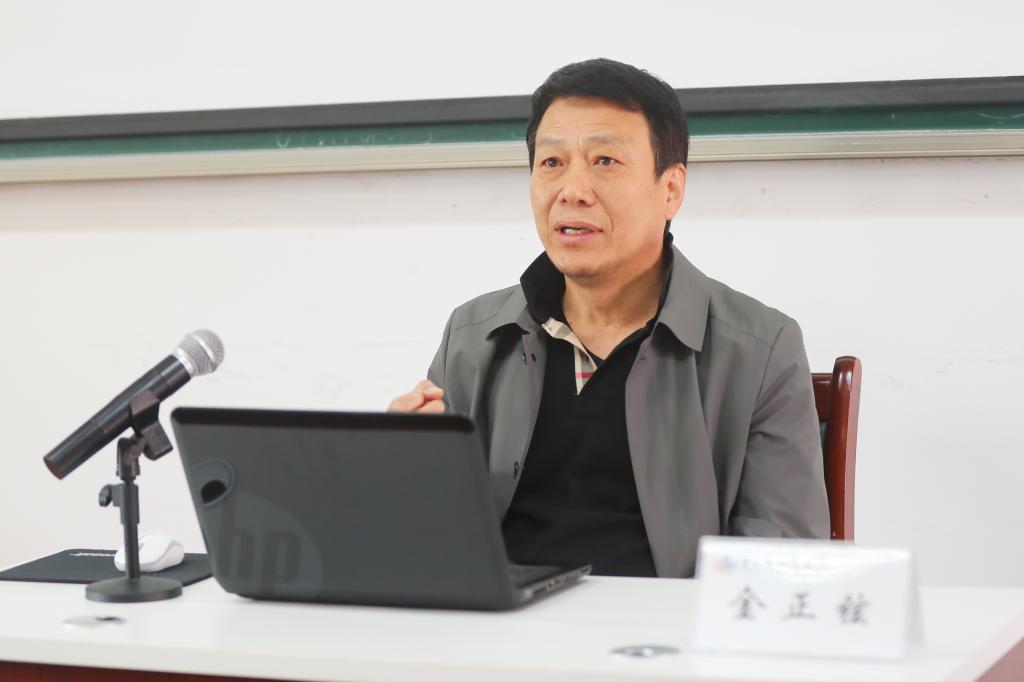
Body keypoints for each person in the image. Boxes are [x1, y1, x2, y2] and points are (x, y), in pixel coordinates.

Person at [389, 58, 829, 578]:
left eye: (605, 161)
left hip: (666, 626)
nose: (572, 189)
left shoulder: (760, 349)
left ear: (671, 189)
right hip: (505, 623)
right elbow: (427, 551)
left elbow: (781, 565)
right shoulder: (474, 336)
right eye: (552, 162)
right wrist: (406, 470)